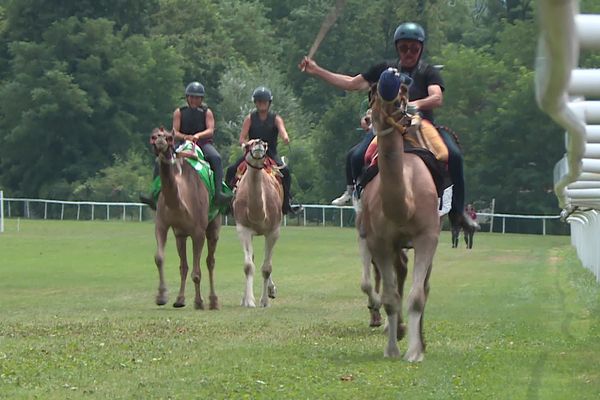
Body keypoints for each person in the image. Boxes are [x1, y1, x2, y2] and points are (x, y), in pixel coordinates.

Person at [299, 22, 478, 231]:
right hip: (389, 126)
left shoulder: (428, 71)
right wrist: (317, 70)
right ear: (397, 48)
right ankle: (362, 207)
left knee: (454, 155)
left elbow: (436, 97)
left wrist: (414, 105)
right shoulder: (384, 70)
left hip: (422, 124)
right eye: (404, 48)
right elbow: (351, 84)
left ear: (421, 49)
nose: (409, 53)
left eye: (414, 48)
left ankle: (458, 213)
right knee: (357, 157)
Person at [140, 81, 232, 209]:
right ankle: (153, 194)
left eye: (198, 97)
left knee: (216, 158)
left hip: (202, 143)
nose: (194, 100)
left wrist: (198, 136)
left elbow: (210, 130)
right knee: (159, 160)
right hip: (182, 143)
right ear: (187, 97)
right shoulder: (179, 112)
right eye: (192, 97)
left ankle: (218, 193)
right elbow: (175, 131)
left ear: (202, 99)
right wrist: (185, 137)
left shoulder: (207, 112)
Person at [225, 86, 302, 215]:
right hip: (252, 153)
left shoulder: (276, 118)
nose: (262, 104)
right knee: (232, 169)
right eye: (259, 101)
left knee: (286, 172)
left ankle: (286, 203)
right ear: (255, 103)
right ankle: (227, 201)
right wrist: (247, 143)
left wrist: (285, 137)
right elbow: (241, 139)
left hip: (269, 152)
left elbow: (283, 130)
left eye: (264, 101)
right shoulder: (250, 118)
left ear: (269, 103)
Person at [331, 108, 374, 206]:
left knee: (357, 156)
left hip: (388, 130)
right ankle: (351, 189)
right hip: (376, 130)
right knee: (352, 155)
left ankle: (357, 189)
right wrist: (368, 119)